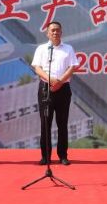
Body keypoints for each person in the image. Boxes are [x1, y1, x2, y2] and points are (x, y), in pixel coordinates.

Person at [31, 21, 78, 165]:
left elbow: (72, 67)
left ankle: (63, 155)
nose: (55, 33)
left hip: (63, 88)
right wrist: (50, 79)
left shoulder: (68, 48)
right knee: (45, 123)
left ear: (61, 32)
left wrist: (60, 81)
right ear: (47, 33)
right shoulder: (41, 49)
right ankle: (45, 156)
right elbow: (37, 68)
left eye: (57, 30)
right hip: (46, 89)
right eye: (52, 30)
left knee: (62, 123)